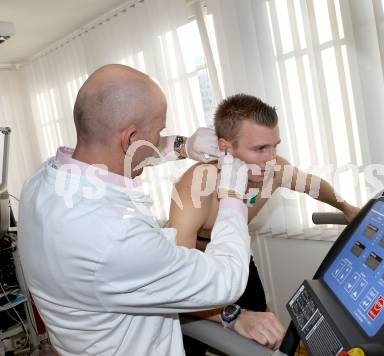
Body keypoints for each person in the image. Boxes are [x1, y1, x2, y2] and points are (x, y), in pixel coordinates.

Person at [18, 64, 255, 355]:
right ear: (131, 137)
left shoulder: (42, 182)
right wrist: (232, 196)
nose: (160, 137)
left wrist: (183, 145)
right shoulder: (116, 236)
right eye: (159, 131)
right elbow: (226, 280)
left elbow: (124, 154)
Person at [168, 93, 359, 353]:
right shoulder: (197, 185)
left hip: (237, 259)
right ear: (225, 147)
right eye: (259, 149)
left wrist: (347, 208)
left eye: (274, 146)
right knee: (192, 346)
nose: (271, 160)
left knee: (266, 338)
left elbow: (314, 186)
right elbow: (178, 278)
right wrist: (230, 316)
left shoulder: (275, 169)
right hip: (197, 268)